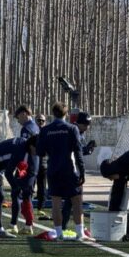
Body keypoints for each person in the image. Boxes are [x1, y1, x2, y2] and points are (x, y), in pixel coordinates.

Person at [37, 102, 90, 241]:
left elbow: (40, 152)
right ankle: (80, 233)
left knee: (55, 201)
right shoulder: (72, 128)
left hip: (53, 169)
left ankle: (59, 233)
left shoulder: (45, 130)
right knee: (77, 200)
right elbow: (78, 152)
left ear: (53, 113)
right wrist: (82, 171)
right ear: (66, 114)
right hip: (69, 169)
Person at [0, 135, 38, 238]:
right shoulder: (20, 150)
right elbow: (9, 173)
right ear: (32, 146)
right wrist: (15, 187)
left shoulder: (24, 145)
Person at [60, 111, 96, 231]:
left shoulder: (79, 131)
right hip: (72, 169)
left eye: (88, 125)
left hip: (71, 168)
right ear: (79, 123)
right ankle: (73, 227)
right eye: (85, 125)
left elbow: (77, 150)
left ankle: (66, 227)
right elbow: (74, 151)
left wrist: (86, 150)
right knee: (74, 200)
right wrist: (85, 150)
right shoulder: (74, 131)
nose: (87, 127)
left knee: (71, 201)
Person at [7, 105, 39, 234]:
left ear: (25, 114)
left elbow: (24, 149)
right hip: (35, 165)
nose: (17, 120)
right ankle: (26, 224)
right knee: (27, 194)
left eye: (18, 116)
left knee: (17, 193)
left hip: (26, 166)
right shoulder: (36, 127)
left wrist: (18, 167)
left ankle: (19, 224)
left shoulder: (26, 129)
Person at [34, 113, 49, 219]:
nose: (40, 122)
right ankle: (27, 206)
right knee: (29, 185)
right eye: (38, 120)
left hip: (43, 164)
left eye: (42, 121)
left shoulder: (47, 133)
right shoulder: (32, 131)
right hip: (33, 163)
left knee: (42, 187)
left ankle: (40, 208)